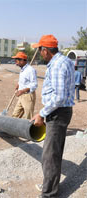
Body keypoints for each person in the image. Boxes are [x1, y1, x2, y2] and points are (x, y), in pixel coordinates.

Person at [31, 35, 75, 198]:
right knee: (54, 151)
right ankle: (49, 184)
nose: (40, 53)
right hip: (61, 111)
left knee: (49, 155)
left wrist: (41, 114)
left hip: (57, 113)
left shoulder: (56, 65)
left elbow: (59, 97)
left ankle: (49, 193)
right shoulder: (65, 61)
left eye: (40, 50)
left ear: (45, 50)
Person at [11, 52, 38, 119]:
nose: (15, 61)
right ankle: (14, 128)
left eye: (17, 59)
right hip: (21, 96)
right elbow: (23, 81)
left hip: (28, 96)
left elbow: (34, 84)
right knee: (15, 115)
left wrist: (23, 90)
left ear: (22, 60)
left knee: (28, 116)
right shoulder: (23, 70)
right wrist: (18, 85)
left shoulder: (30, 70)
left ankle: (29, 129)